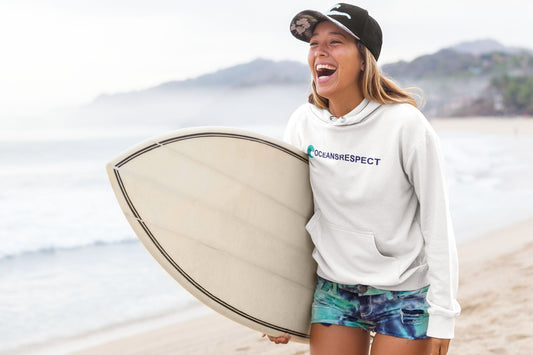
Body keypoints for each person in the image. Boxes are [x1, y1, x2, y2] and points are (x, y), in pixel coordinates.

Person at [263, 3, 461, 355]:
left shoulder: (405, 125)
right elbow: (289, 218)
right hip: (334, 290)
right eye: (314, 43)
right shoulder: (303, 122)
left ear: (365, 58)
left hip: (403, 292)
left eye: (335, 41)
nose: (320, 51)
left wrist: (444, 315)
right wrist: (277, 304)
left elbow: (437, 223)